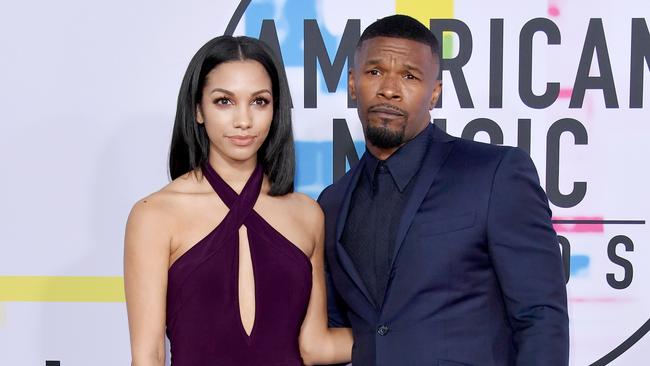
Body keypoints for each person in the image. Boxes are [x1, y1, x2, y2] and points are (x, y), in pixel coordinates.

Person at [318, 14, 569, 366]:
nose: (389, 88)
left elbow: (540, 316)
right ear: (352, 84)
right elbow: (337, 328)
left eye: (409, 75)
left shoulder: (495, 174)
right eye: (375, 72)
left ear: (434, 92)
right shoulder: (332, 202)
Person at [124, 35, 352, 366]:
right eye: (224, 101)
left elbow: (314, 346)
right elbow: (148, 356)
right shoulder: (155, 215)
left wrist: (408, 332)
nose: (243, 120)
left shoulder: (306, 214)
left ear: (276, 109)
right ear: (197, 110)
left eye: (259, 101)